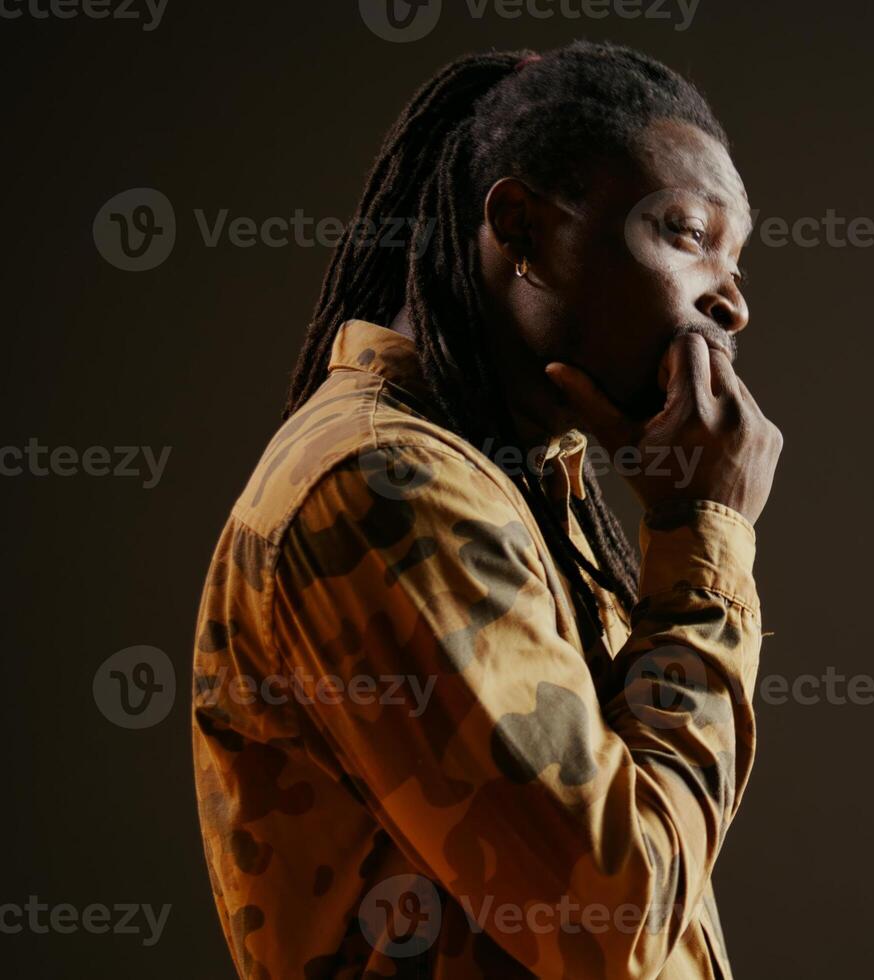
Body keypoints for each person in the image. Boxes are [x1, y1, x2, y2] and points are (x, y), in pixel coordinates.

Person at [189, 40, 781, 978]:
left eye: (736, 256)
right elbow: (614, 920)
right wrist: (706, 539)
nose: (734, 303)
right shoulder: (386, 489)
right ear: (525, 234)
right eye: (685, 232)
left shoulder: (516, 485)